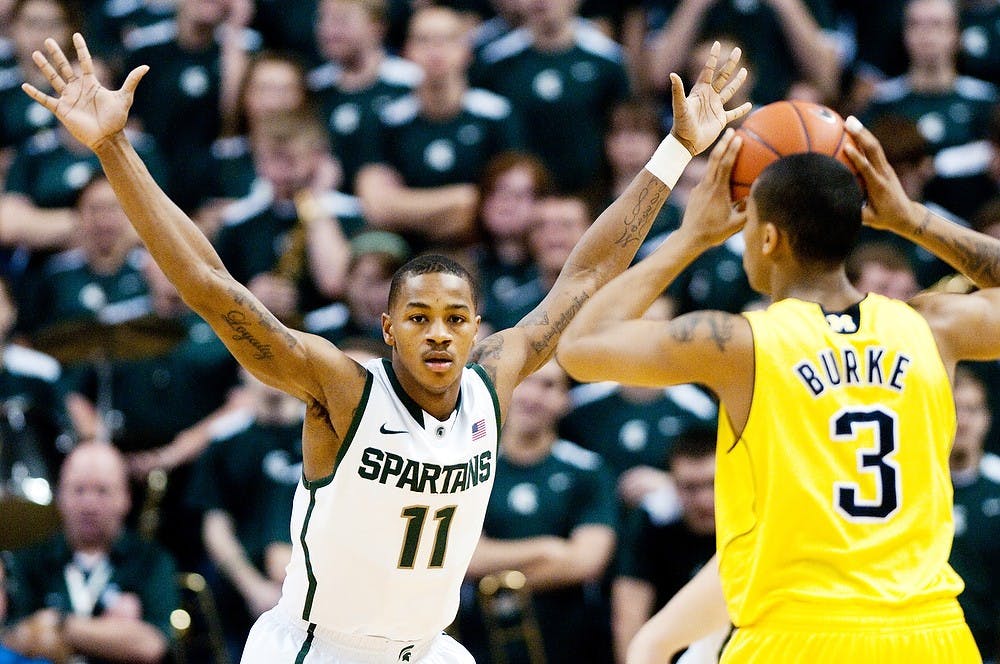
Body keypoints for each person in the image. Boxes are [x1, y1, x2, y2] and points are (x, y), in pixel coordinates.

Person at [22, 32, 749, 663]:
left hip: (428, 651)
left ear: (476, 327)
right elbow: (212, 286)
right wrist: (115, 147)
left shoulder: (493, 384)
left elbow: (587, 272)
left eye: (455, 318)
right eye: (421, 316)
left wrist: (675, 150)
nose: (439, 331)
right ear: (388, 328)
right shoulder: (342, 390)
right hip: (319, 650)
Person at [557, 113, 1000, 661]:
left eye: (746, 231)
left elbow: (580, 346)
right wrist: (912, 220)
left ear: (768, 238)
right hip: (931, 637)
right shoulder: (934, 327)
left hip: (797, 635)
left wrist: (690, 237)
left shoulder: (741, 345)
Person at [464, 360, 618, 664]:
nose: (532, 395)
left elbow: (587, 561)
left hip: (569, 641)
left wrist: (492, 577)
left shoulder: (588, 471)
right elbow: (461, 558)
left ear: (566, 400)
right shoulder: (470, 465)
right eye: (525, 382)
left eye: (548, 385)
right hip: (478, 643)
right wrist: (548, 549)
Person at [1, 441, 179, 664]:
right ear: (60, 497)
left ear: (125, 498)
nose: (89, 504)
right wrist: (113, 634)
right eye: (78, 490)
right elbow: (14, 638)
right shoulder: (28, 561)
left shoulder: (152, 561)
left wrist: (58, 624)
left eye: (102, 491)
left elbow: (152, 645)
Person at [948, 365, 1000, 661]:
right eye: (955, 409)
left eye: (972, 409)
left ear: (987, 418)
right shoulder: (916, 487)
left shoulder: (997, 484)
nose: (963, 421)